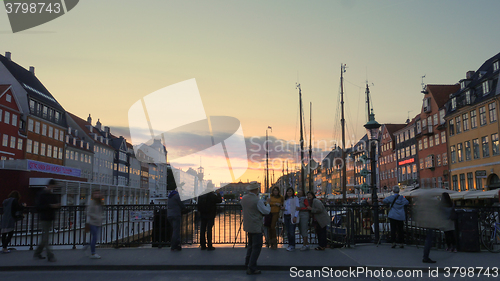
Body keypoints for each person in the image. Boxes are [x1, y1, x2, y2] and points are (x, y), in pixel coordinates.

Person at [240, 181, 270, 275]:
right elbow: (266, 211)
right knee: (257, 246)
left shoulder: (244, 198)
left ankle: (247, 262)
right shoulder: (257, 200)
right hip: (256, 225)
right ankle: (252, 267)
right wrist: (268, 204)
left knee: (250, 245)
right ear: (256, 189)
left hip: (247, 224)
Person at [34, 179, 60, 262]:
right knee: (46, 237)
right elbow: (38, 207)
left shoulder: (47, 194)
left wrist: (55, 206)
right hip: (45, 217)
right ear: (50, 186)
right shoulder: (43, 194)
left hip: (48, 217)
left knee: (45, 237)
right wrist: (52, 206)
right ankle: (50, 255)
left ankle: (37, 252)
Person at [86, 190, 103, 259]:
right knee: (95, 237)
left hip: (98, 222)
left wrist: (101, 217)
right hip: (93, 222)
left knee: (95, 237)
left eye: (97, 193)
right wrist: (96, 217)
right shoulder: (92, 203)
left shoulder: (99, 202)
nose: (96, 195)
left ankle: (87, 246)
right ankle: (93, 253)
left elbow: (100, 212)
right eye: (95, 193)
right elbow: (88, 212)